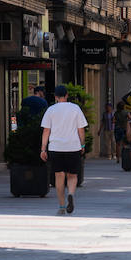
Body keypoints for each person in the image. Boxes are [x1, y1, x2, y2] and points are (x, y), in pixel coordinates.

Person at [40, 85, 87, 215]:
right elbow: (81, 129)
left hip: (56, 147)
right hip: (73, 147)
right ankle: (71, 194)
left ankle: (61, 206)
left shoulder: (51, 110)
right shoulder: (75, 109)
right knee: (72, 176)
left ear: (55, 97)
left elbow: (46, 131)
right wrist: (82, 145)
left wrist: (43, 149)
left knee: (59, 176)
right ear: (66, 95)